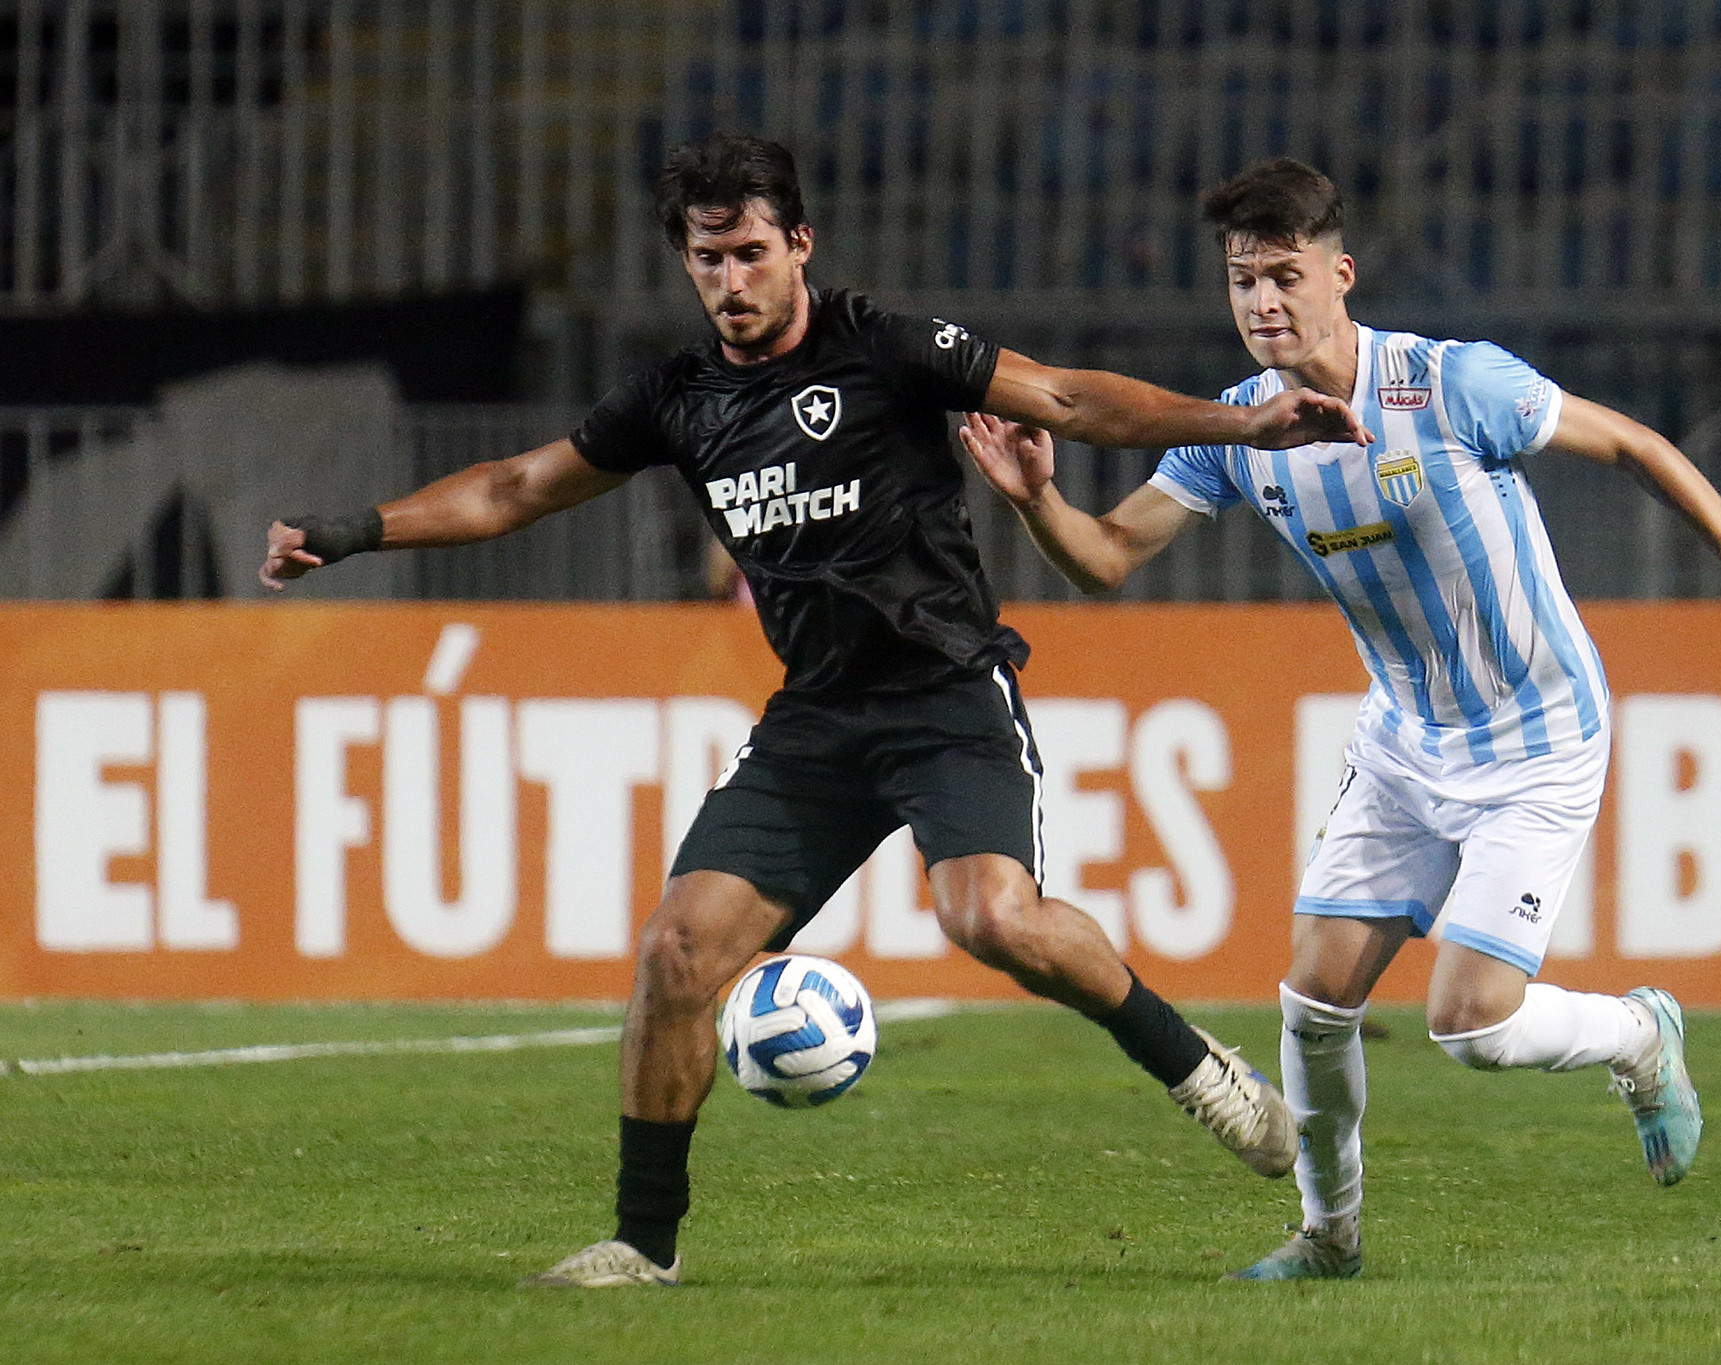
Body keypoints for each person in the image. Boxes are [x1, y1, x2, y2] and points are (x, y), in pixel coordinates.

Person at [259, 133, 1368, 1289]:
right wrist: (354, 532)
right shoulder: (677, 400)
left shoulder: (883, 346)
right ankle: (643, 1245)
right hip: (816, 721)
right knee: (679, 951)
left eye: (748, 253)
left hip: (945, 691)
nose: (730, 282)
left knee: (990, 918)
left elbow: (1066, 397)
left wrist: (1243, 423)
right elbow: (514, 487)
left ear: (796, 245)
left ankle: (1204, 1076)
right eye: (706, 260)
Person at [959, 158, 1721, 1281]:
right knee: (1309, 1004)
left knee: (1471, 1025)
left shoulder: (1448, 387)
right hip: (1404, 745)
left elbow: (1635, 445)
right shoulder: (1235, 430)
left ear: (1339, 274)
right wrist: (1038, 499)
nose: (1261, 303)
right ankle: (1326, 1238)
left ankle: (1638, 1036)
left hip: (1537, 739)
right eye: (1241, 280)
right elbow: (1103, 559)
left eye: (1284, 275)